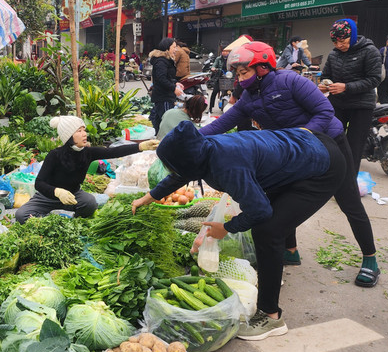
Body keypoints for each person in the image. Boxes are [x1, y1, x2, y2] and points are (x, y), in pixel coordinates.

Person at [133, 121, 346, 340]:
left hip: (323, 167)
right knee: (273, 220)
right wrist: (149, 197)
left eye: (171, 165)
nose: (170, 170)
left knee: (267, 231)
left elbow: (260, 211)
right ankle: (273, 270)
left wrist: (226, 228)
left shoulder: (226, 165)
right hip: (306, 145)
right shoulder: (203, 149)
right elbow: (182, 172)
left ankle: (271, 318)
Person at [200, 41, 381, 287]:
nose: (241, 80)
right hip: (292, 153)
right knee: (281, 193)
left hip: (329, 144)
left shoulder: (291, 81)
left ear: (262, 67)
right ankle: (291, 251)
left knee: (348, 200)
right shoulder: (249, 98)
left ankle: (370, 258)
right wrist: (187, 138)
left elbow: (325, 111)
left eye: (245, 73)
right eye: (238, 74)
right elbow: (220, 124)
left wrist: (301, 134)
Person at [15, 116, 159, 223]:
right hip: (46, 198)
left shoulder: (87, 152)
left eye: (84, 130)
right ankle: (49, 219)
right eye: (79, 131)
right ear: (69, 136)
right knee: (21, 215)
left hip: (73, 196)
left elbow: (113, 152)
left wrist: (140, 147)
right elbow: (39, 183)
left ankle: (70, 220)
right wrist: (57, 192)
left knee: (90, 203)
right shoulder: (55, 155)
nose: (84, 134)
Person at [319, 18, 382, 173]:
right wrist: (324, 85)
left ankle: (349, 185)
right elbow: (326, 75)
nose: (339, 45)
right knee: (332, 142)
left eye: (343, 40)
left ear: (352, 35)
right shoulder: (334, 54)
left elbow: (374, 79)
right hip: (338, 104)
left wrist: (346, 87)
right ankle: (332, 178)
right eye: (335, 42)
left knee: (354, 147)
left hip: (361, 106)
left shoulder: (369, 51)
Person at [149, 38, 183, 134]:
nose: (176, 49)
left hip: (165, 95)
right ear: (167, 48)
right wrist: (173, 88)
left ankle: (159, 139)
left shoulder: (166, 60)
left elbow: (167, 77)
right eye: (174, 47)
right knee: (167, 121)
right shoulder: (161, 61)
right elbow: (161, 79)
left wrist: (175, 83)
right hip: (163, 96)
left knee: (160, 120)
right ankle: (165, 141)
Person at [208, 47, 230, 112]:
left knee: (230, 92)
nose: (225, 52)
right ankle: (210, 108)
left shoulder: (231, 59)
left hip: (229, 79)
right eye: (223, 51)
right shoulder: (218, 59)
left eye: (226, 51)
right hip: (220, 78)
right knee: (214, 92)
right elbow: (214, 65)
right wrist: (213, 68)